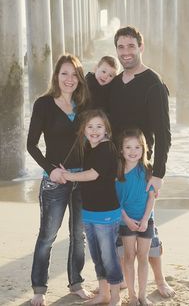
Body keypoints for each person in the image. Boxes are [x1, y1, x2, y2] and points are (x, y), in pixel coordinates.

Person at [108, 26, 175, 298]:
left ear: (140, 47)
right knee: (121, 229)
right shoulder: (114, 84)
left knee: (148, 228)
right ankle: (126, 278)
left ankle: (159, 280)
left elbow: (164, 133)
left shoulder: (153, 84)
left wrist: (158, 173)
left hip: (142, 167)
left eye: (130, 46)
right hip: (118, 167)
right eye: (121, 47)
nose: (126, 52)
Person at [27, 53, 92, 306]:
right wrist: (51, 169)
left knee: (79, 235)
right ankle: (39, 288)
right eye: (64, 73)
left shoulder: (84, 104)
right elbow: (31, 145)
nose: (69, 79)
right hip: (55, 181)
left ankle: (76, 282)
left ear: (79, 78)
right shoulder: (43, 104)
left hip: (82, 179)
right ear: (56, 75)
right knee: (47, 235)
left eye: (74, 74)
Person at [62, 109, 123, 306]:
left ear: (107, 130)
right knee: (97, 256)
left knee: (109, 257)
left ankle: (115, 297)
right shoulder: (90, 147)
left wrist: (68, 176)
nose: (94, 130)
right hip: (89, 211)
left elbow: (92, 174)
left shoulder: (107, 148)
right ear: (84, 129)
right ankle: (103, 294)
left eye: (99, 126)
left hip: (106, 213)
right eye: (90, 126)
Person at [116, 128, 155, 306]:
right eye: (128, 147)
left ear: (143, 149)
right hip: (126, 221)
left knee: (143, 257)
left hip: (146, 219)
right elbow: (115, 201)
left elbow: (151, 198)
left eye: (137, 147)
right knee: (129, 257)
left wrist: (146, 219)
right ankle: (131, 295)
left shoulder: (148, 170)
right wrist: (127, 220)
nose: (133, 151)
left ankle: (142, 295)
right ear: (121, 150)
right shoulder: (117, 172)